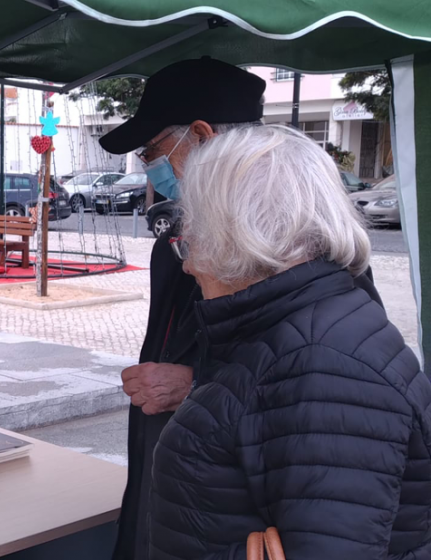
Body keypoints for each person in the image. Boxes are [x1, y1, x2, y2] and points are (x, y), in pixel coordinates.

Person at [96, 58, 384, 560]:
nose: (151, 168)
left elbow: (330, 394)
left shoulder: (309, 247)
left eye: (154, 152)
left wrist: (196, 384)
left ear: (202, 137)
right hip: (175, 482)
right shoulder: (180, 240)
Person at [149, 124, 430, 558]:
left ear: (237, 233)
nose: (187, 262)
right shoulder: (293, 331)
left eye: (193, 229)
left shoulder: (324, 364)